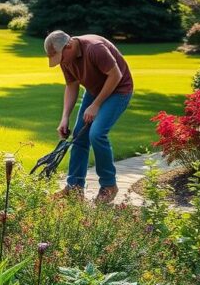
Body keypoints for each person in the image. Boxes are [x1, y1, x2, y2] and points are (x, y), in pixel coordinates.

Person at [44, 30, 134, 203]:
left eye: (61, 58)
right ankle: (74, 188)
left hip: (118, 89)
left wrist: (96, 105)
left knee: (97, 134)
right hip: (94, 90)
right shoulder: (66, 58)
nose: (61, 63)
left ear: (69, 46)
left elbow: (116, 75)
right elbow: (71, 85)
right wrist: (64, 117)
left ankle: (109, 185)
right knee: (79, 136)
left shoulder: (95, 48)